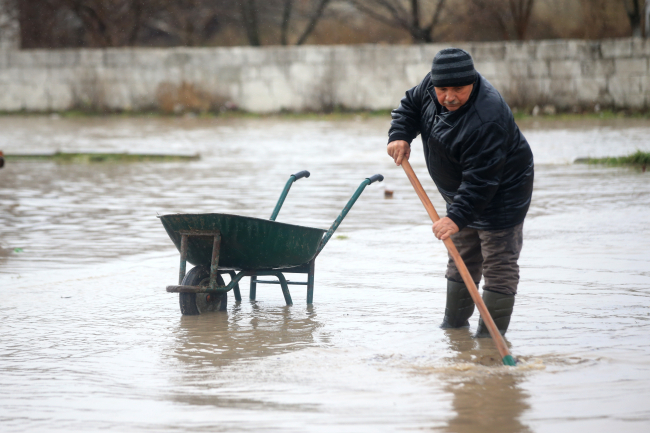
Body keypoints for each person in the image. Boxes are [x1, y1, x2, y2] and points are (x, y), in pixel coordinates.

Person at [387, 48, 534, 337]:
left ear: (472, 82)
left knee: (498, 262)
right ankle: (454, 331)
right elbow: (410, 107)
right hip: (460, 192)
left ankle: (490, 341)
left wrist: (455, 217)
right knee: (462, 255)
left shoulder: (487, 117)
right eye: (442, 90)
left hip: (502, 193)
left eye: (458, 89)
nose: (449, 97)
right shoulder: (431, 85)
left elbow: (482, 181)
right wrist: (400, 134)